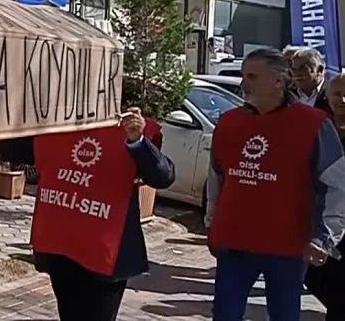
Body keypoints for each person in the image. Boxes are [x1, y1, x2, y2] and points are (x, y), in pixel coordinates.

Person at [205, 48, 345, 321]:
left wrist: (325, 237)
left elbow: (337, 186)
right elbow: (217, 178)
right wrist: (212, 223)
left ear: (279, 81)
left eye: (253, 77)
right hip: (235, 242)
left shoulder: (314, 124)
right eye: (244, 76)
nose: (245, 83)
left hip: (288, 246)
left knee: (283, 315)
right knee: (225, 314)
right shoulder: (229, 123)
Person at [30, 107, 175, 321]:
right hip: (63, 252)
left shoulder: (127, 126)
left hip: (107, 256)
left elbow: (163, 177)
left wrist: (137, 141)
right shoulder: (57, 121)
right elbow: (14, 150)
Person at [305, 73, 345, 320]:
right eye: (337, 93)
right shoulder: (318, 131)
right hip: (321, 221)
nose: (343, 99)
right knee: (316, 277)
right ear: (327, 97)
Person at [290, 47, 332, 114]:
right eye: (293, 69)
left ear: (319, 70)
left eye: (303, 68)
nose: (296, 73)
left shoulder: (334, 92)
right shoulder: (287, 95)